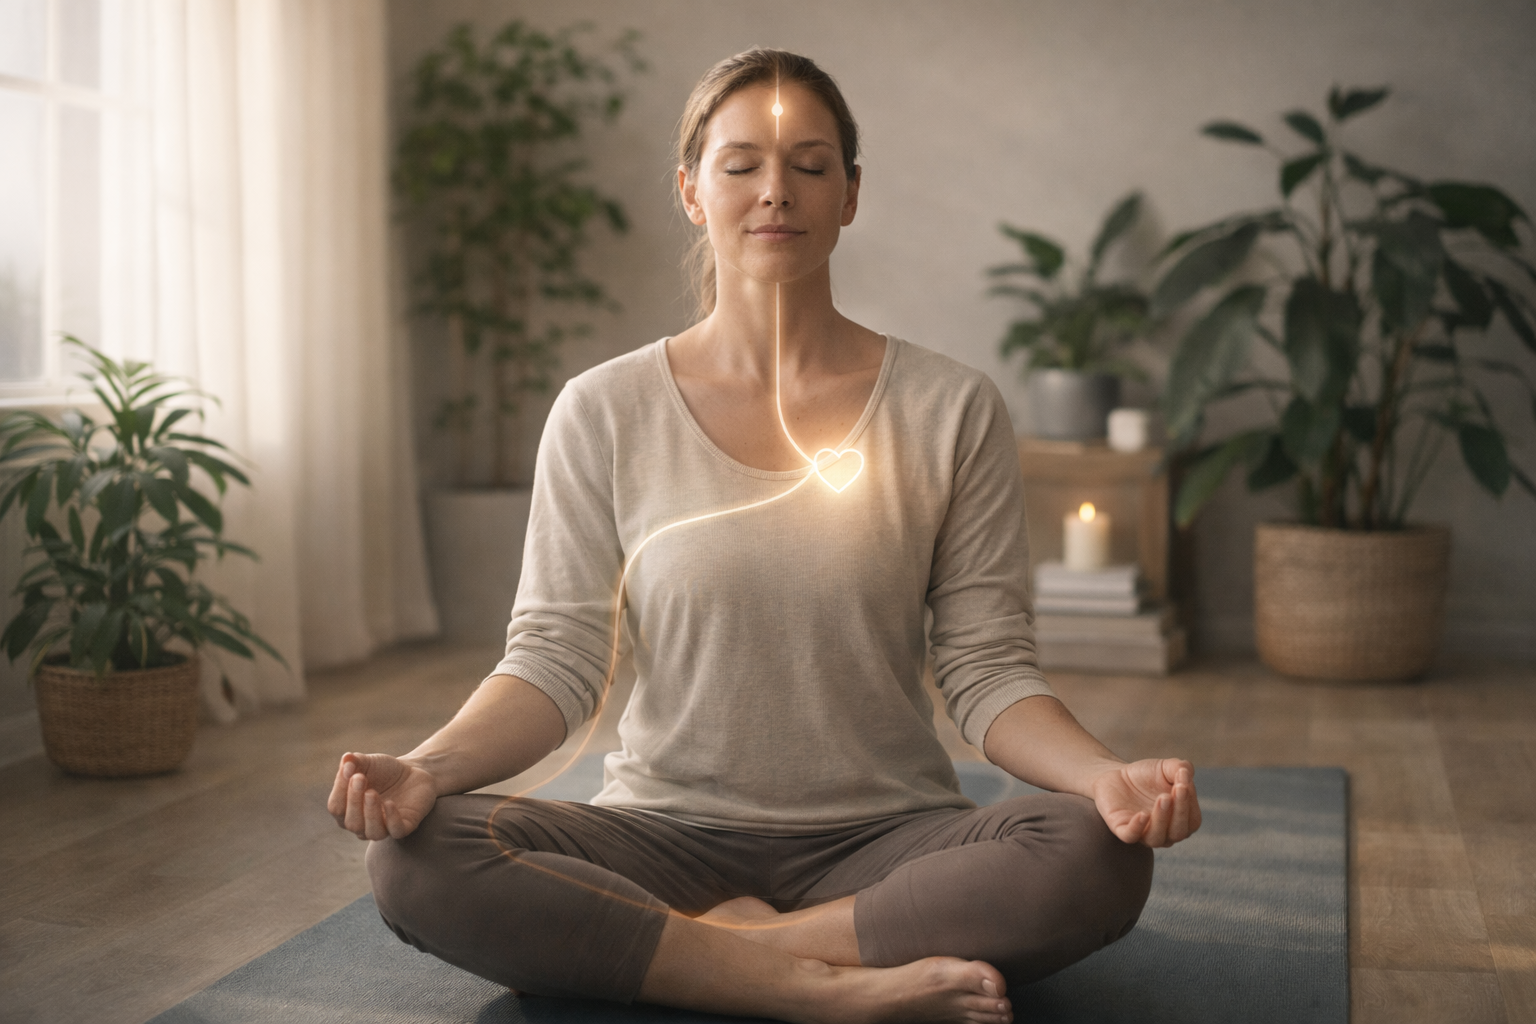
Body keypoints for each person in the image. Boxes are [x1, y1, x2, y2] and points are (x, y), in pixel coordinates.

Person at [329, 48, 1200, 1024]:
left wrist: (1103, 776)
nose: (775, 192)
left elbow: (987, 667)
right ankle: (812, 988)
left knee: (1094, 855)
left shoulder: (952, 408)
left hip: (885, 839)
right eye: (740, 164)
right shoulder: (601, 410)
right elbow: (556, 659)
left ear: (852, 194)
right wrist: (429, 769)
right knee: (413, 854)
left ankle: (711, 955)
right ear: (692, 191)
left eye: (811, 164)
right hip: (659, 837)